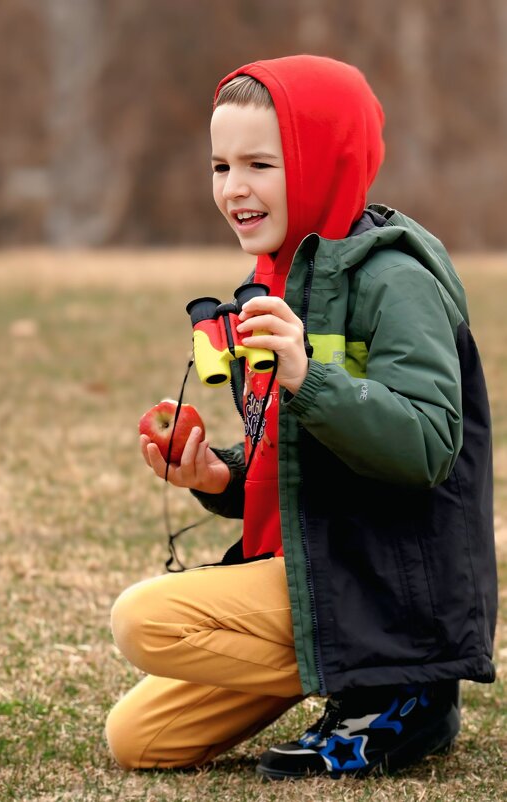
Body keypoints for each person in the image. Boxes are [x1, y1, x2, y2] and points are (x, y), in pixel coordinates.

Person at [105, 55, 497, 779]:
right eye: (221, 166)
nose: (235, 189)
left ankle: (403, 681)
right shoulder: (271, 278)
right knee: (140, 740)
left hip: (382, 583)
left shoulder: (396, 279)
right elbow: (301, 455)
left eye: (261, 163)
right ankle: (376, 680)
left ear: (324, 160)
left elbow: (428, 446)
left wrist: (307, 376)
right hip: (314, 570)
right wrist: (217, 473)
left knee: (142, 618)